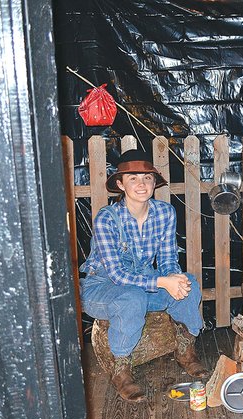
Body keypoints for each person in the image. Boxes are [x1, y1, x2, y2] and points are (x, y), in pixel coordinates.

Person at [80, 149, 209, 403]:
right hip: (102, 288)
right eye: (133, 178)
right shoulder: (107, 218)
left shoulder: (164, 213)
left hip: (143, 285)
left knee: (190, 284)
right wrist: (162, 281)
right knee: (132, 298)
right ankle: (121, 370)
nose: (142, 184)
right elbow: (116, 274)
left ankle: (185, 350)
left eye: (147, 178)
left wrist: (174, 278)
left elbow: (169, 259)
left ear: (154, 182)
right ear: (120, 184)